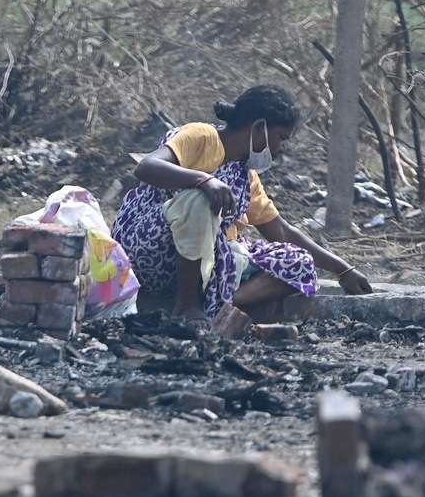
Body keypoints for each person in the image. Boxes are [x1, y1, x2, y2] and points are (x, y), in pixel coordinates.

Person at [112, 85, 372, 323]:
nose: (280, 148)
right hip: (147, 245)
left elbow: (281, 232)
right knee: (199, 199)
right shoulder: (200, 136)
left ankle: (218, 306)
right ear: (259, 127)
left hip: (196, 261)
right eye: (281, 137)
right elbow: (146, 166)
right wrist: (204, 181)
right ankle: (186, 306)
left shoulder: (245, 176)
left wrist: (344, 269)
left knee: (299, 263)